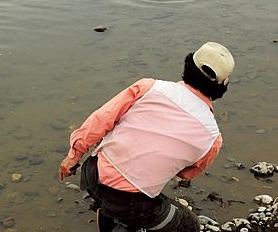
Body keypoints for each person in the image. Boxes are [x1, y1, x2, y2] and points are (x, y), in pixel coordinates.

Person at [58, 42, 235, 232]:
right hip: (131, 202)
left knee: (118, 200)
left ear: (187, 64)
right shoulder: (213, 137)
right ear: (223, 86)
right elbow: (186, 173)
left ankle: (111, 216)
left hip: (92, 176)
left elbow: (101, 120)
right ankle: (122, 218)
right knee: (189, 225)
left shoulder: (149, 87)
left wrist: (73, 157)